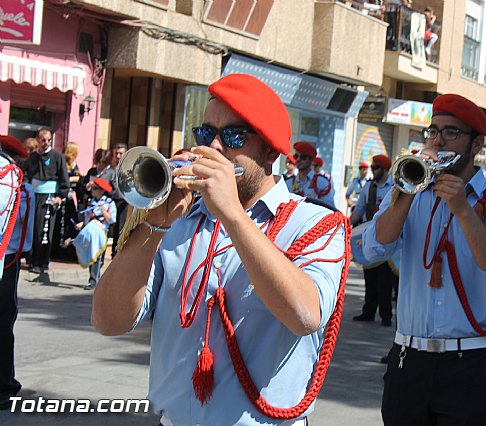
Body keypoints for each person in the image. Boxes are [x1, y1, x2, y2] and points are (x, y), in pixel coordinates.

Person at [91, 74, 350, 426]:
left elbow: (304, 316)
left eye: (233, 136)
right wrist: (153, 226)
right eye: (205, 133)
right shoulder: (177, 220)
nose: (212, 147)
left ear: (271, 151)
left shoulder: (316, 223)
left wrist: (232, 212)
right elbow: (108, 321)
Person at [362, 93, 486, 425]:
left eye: (451, 132)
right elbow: (373, 250)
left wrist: (464, 210)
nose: (438, 140)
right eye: (433, 131)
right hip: (409, 358)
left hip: (470, 361)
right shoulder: (405, 190)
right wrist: (407, 192)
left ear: (477, 144)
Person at [0, 135, 33, 411]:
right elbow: (25, 230)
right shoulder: (17, 182)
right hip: (7, 258)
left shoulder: (11, 179)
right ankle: (4, 384)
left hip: (7, 258)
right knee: (3, 322)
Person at [351, 155, 395, 327]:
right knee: (369, 276)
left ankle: (386, 315)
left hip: (388, 237)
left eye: (376, 168)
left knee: (385, 279)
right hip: (369, 235)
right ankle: (368, 311)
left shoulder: (394, 186)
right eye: (372, 167)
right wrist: (346, 224)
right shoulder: (369, 186)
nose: (373, 170)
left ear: (385, 170)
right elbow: (359, 210)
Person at [21, 128, 70, 274]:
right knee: (32, 228)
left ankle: (42, 262)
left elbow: (64, 179)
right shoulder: (32, 157)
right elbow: (25, 175)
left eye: (48, 140)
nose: (45, 143)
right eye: (43, 140)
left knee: (44, 230)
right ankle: (32, 259)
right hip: (33, 196)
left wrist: (59, 196)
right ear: (38, 140)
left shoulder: (57, 156)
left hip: (49, 196)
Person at [75, 177, 116, 291]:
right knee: (91, 255)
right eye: (92, 188)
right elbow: (88, 218)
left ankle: (94, 280)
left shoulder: (109, 203)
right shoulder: (91, 202)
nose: (92, 191)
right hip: (91, 232)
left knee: (98, 258)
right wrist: (81, 224)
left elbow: (112, 220)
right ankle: (92, 279)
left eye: (95, 188)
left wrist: (103, 210)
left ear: (102, 190)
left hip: (101, 232)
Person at [52, 141, 82, 261]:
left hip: (70, 200)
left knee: (71, 224)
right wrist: (73, 178)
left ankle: (68, 250)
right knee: (60, 224)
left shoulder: (74, 164)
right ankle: (56, 250)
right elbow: (62, 179)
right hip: (62, 198)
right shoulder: (62, 162)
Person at [285, 141, 335, 207]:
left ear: (311, 160)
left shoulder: (321, 182)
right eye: (296, 156)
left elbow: (330, 208)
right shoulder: (289, 182)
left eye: (303, 157)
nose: (298, 160)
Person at [108, 143, 128, 258]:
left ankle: (116, 253)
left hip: (123, 201)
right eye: (116, 153)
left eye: (121, 153)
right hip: (111, 200)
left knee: (120, 228)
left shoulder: (128, 167)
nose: (118, 156)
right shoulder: (110, 168)